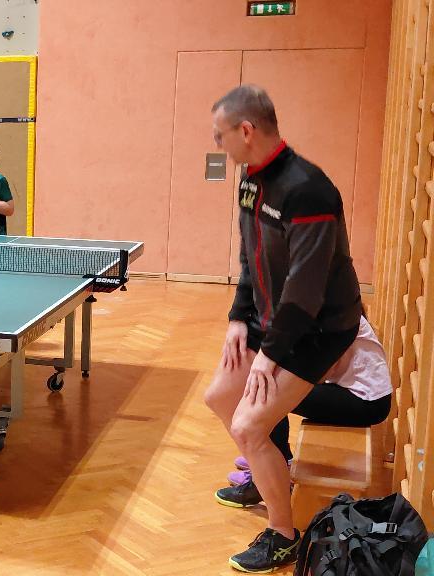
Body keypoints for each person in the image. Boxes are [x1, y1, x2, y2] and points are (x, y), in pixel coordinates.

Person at [202, 84, 363, 573]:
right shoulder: (250, 180)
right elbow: (250, 256)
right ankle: (267, 472)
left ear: (246, 130)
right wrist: (238, 316)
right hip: (270, 316)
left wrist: (268, 356)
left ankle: (282, 536)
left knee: (249, 426)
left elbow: (306, 289)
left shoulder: (308, 190)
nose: (217, 144)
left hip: (318, 327)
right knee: (221, 398)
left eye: (221, 134)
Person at [218, 315, 391, 490]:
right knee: (271, 386)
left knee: (270, 391)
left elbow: (317, 370)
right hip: (351, 390)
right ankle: (272, 461)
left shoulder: (330, 313)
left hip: (366, 401)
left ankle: (271, 473)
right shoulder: (320, 309)